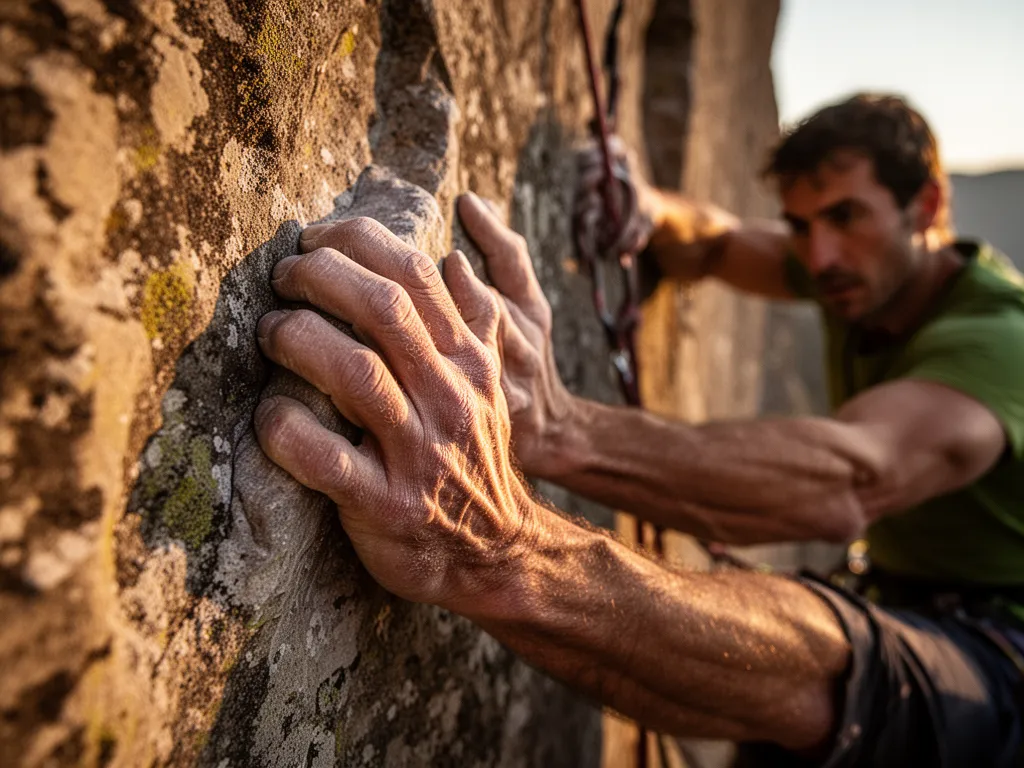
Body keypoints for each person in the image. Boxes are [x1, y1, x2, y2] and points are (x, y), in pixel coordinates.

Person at [251, 94, 1024, 766]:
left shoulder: (998, 340)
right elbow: (716, 241)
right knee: (754, 677)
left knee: (844, 673)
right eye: (801, 224)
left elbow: (853, 477)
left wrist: (557, 429)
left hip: (1004, 651)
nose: (818, 255)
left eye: (846, 217)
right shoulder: (857, 269)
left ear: (925, 208)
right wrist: (646, 204)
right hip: (913, 596)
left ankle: (498, 555)